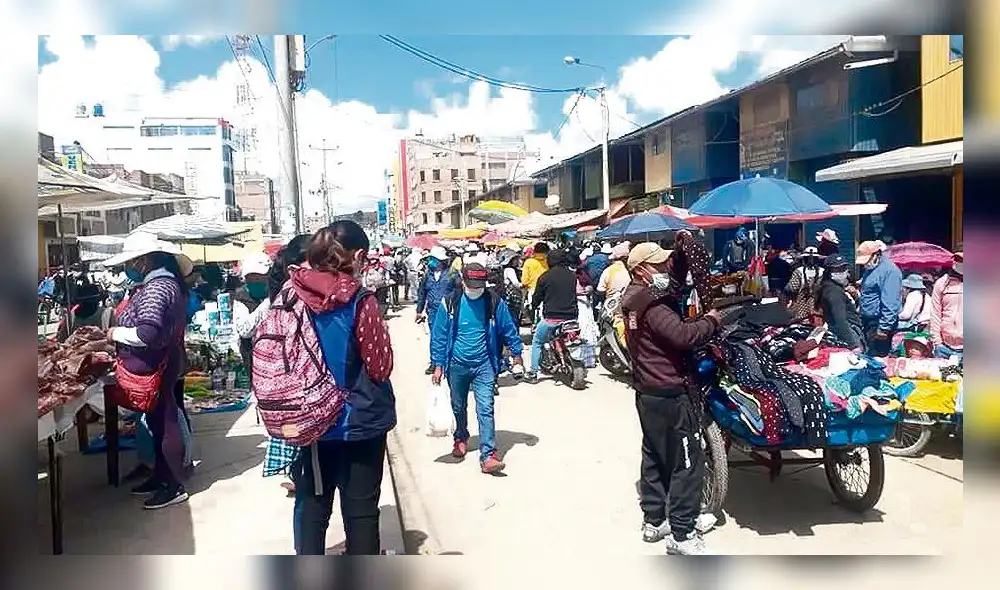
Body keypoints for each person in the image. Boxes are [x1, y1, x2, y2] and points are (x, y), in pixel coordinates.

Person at [281, 221, 395, 555]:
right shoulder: (361, 301)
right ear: (359, 256)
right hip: (359, 423)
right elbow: (380, 366)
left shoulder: (290, 296)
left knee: (312, 506)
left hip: (310, 421)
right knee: (360, 512)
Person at [621, 239, 721, 556]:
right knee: (687, 462)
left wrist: (680, 254)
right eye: (659, 264)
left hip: (648, 390)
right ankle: (682, 532)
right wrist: (712, 320)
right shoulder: (654, 304)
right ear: (641, 270)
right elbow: (682, 336)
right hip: (670, 391)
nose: (666, 268)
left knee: (654, 455)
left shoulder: (633, 297)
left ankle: (654, 521)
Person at [102, 232, 193, 510]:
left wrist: (115, 333)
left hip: (157, 364)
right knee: (156, 423)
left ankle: (173, 484)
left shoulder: (157, 288)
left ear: (145, 261)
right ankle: (161, 476)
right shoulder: (162, 284)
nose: (130, 267)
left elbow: (146, 333)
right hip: (160, 362)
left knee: (165, 423)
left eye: (133, 261)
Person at [430, 263, 523, 474]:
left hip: (485, 365)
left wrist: (517, 354)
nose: (475, 289)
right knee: (458, 405)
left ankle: (488, 454)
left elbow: (508, 328)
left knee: (485, 408)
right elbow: (439, 335)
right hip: (456, 365)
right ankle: (460, 437)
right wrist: (438, 365)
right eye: (471, 285)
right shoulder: (450, 302)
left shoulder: (493, 301)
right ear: (462, 282)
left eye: (479, 286)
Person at [258, 235, 311, 495]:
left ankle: (296, 474)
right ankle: (301, 477)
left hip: (278, 390)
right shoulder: (299, 299)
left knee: (291, 437)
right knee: (302, 443)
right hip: (296, 389)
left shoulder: (276, 299)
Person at [524, 248, 579, 382]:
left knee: (537, 342)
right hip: (572, 318)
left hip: (551, 318)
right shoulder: (572, 276)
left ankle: (533, 373)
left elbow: (537, 298)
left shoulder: (545, 277)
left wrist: (533, 306)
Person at [416, 246, 459, 374]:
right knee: (435, 336)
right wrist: (419, 310)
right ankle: (435, 362)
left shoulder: (452, 274)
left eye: (433, 259)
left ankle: (448, 361)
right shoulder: (427, 275)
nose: (430, 262)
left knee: (449, 335)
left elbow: (459, 291)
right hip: (433, 311)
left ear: (440, 260)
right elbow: (422, 293)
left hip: (448, 310)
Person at [856, 240, 902, 357]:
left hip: (879, 323)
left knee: (877, 359)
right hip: (868, 321)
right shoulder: (870, 269)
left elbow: (891, 301)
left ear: (876, 255)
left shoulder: (889, 271)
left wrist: (884, 327)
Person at [815, 254, 864, 351]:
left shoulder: (835, 287)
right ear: (829, 271)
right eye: (837, 269)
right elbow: (839, 319)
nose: (842, 272)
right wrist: (853, 345)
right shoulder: (833, 292)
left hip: (848, 330)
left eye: (843, 268)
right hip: (848, 332)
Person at [930, 249, 963, 360]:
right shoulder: (942, 283)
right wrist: (937, 342)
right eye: (959, 259)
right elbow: (935, 313)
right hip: (944, 347)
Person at [784, 246, 823, 321]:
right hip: (819, 310)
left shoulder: (798, 271)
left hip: (801, 310)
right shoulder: (823, 272)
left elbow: (792, 289)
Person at [520, 242, 550, 315]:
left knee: (534, 311)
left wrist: (524, 285)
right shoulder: (549, 261)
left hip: (533, 289)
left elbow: (524, 280)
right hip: (548, 289)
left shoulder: (529, 262)